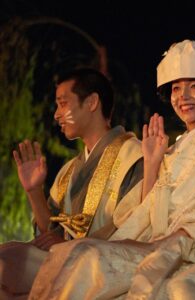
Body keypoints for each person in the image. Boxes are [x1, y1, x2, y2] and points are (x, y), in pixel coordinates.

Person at [28, 32, 195, 299]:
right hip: (157, 243)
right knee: (70, 255)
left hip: (188, 248)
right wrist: (153, 163)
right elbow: (146, 215)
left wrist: (176, 240)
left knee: (87, 257)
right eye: (176, 88)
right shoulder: (174, 149)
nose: (183, 97)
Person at [0, 68, 144, 298]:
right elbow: (50, 237)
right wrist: (34, 190)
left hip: (108, 272)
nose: (57, 115)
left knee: (7, 263)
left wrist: (71, 247)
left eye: (63, 104)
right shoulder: (68, 171)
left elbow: (137, 229)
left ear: (92, 102)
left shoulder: (134, 156)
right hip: (67, 266)